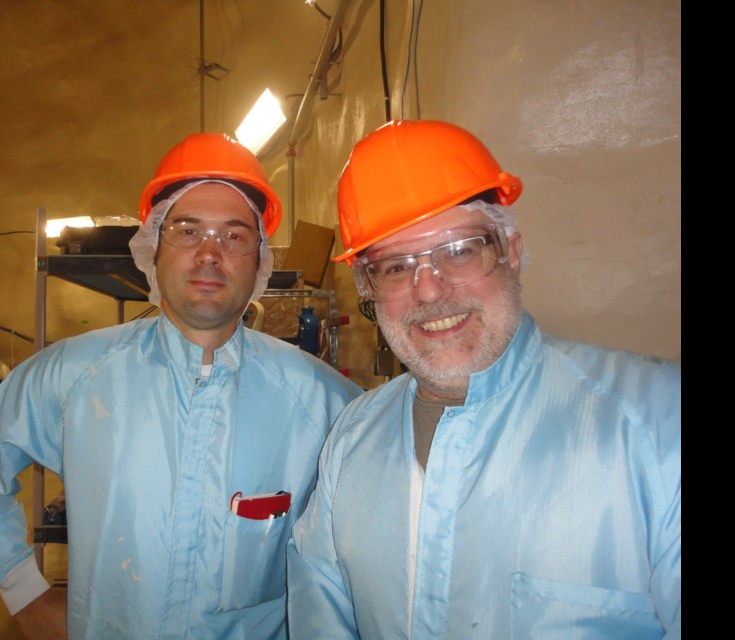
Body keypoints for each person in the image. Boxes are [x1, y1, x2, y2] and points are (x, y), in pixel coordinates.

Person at [0, 132, 362, 639]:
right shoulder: (74, 374)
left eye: (234, 236)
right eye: (188, 231)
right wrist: (21, 589)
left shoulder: (323, 403)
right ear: (152, 249)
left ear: (260, 261)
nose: (210, 254)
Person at [287, 120, 681, 639]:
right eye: (397, 266)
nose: (429, 291)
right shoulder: (351, 438)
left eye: (458, 250)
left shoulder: (657, 423)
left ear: (512, 252)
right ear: (369, 287)